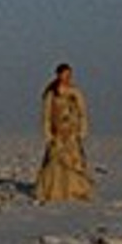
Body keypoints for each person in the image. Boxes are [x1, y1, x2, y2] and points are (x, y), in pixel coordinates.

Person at [35, 62, 93, 202]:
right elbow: (46, 115)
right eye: (64, 74)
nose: (67, 77)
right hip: (57, 133)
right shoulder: (51, 93)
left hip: (71, 132)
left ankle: (75, 191)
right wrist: (47, 133)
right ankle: (53, 192)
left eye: (69, 74)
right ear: (58, 75)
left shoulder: (75, 91)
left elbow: (82, 112)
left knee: (73, 163)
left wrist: (83, 129)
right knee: (54, 162)